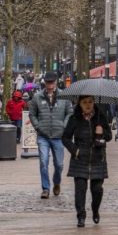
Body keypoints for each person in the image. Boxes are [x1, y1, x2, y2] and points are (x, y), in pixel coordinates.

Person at [62, 95, 112, 227]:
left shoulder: (100, 117)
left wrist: (102, 132)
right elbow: (65, 138)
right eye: (84, 102)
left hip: (97, 157)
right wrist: (75, 150)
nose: (88, 105)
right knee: (80, 189)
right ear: (79, 104)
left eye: (90, 102)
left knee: (97, 190)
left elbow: (109, 136)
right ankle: (81, 215)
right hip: (80, 159)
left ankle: (95, 210)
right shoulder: (74, 118)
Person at [29, 70, 73, 199]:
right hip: (43, 136)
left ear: (55, 82)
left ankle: (57, 182)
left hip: (59, 136)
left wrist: (64, 126)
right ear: (45, 83)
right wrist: (38, 127)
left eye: (52, 82)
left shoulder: (64, 96)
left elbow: (70, 113)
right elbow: (32, 114)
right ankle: (45, 188)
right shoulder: (37, 97)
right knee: (43, 162)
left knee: (59, 164)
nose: (50, 85)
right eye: (48, 82)